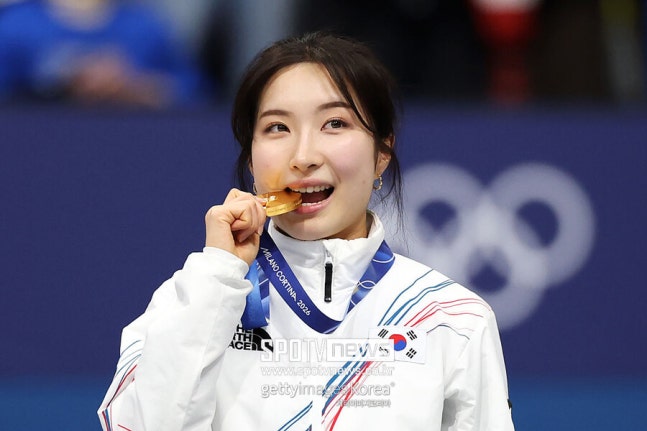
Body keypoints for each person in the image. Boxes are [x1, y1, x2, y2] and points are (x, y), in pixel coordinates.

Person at [98, 32, 515, 430]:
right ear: (251, 161)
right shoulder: (188, 301)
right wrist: (218, 276)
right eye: (277, 128)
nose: (303, 156)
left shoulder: (451, 318)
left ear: (382, 152)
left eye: (334, 123)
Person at [0, 0, 203, 107]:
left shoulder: (145, 25)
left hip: (130, 144)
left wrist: (137, 87)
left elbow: (194, 93)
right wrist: (60, 84)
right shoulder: (15, 26)